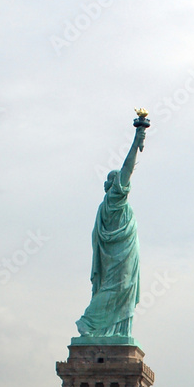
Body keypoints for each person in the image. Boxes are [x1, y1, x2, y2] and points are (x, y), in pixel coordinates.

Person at [75, 120, 147, 338]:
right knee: (118, 286)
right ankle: (88, 322)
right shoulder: (115, 199)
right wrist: (137, 139)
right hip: (119, 255)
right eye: (119, 181)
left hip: (121, 253)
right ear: (115, 185)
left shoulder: (107, 205)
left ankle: (111, 332)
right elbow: (127, 167)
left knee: (121, 288)